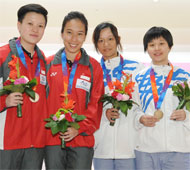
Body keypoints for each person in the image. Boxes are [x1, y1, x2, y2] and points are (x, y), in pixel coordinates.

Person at [44, 11, 104, 170]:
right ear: (62, 33)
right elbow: (42, 103)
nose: (73, 39)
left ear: (85, 37)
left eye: (79, 34)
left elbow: (96, 104)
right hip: (53, 139)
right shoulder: (48, 64)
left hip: (82, 140)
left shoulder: (93, 67)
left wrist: (78, 128)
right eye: (69, 33)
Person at [134, 26, 190, 170]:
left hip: (178, 150)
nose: (156, 48)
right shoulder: (139, 78)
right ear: (147, 49)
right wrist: (140, 118)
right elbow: (134, 109)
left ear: (170, 46)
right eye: (152, 45)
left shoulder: (184, 77)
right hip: (146, 151)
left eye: (161, 43)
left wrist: (186, 115)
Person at [0, 3, 48, 170]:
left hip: (35, 145)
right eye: (30, 24)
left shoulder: (44, 61)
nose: (35, 29)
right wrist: (4, 102)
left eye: (40, 26)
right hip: (7, 143)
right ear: (19, 25)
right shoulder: (3, 55)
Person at [92, 22, 144, 170]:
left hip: (129, 147)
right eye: (100, 41)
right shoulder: (92, 70)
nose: (105, 44)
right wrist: (104, 113)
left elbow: (140, 104)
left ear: (117, 39)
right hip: (101, 148)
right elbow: (89, 105)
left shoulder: (135, 68)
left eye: (110, 39)